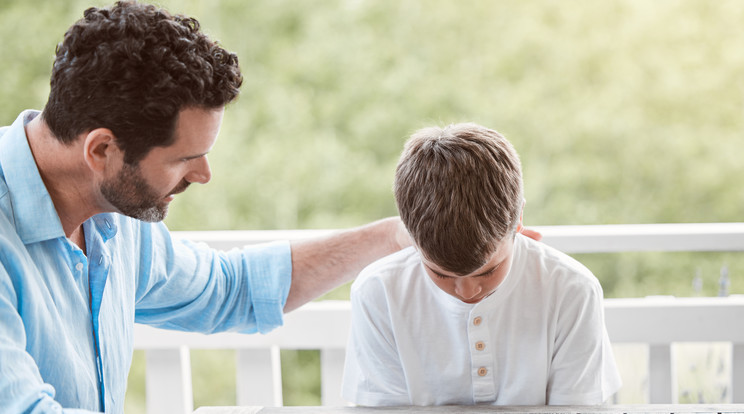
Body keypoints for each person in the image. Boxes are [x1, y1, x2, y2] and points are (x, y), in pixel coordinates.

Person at [0, 2, 413, 413]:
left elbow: (231, 289)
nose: (203, 175)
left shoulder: (111, 215)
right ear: (102, 149)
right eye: (183, 158)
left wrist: (394, 235)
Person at [342, 123, 621, 406]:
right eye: (440, 273)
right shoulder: (378, 292)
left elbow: (574, 408)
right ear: (410, 236)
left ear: (518, 218)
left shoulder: (572, 290)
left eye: (488, 271)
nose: (467, 291)